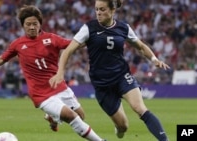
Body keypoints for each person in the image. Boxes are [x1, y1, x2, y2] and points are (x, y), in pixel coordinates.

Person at [0, 5, 106, 141]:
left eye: (35, 23)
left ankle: (52, 117)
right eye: (28, 24)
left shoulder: (52, 38)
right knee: (70, 116)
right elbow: (2, 59)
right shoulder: (18, 44)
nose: (32, 27)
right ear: (23, 25)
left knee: (80, 116)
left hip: (59, 86)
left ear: (40, 23)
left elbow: (74, 45)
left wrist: (94, 39)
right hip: (40, 94)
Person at [49, 0, 170, 141]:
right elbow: (67, 51)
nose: (98, 13)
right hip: (102, 85)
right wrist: (60, 72)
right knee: (123, 126)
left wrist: (155, 60)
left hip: (122, 76)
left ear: (112, 10)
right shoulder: (89, 28)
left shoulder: (123, 28)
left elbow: (141, 46)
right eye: (97, 9)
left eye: (102, 9)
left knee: (140, 108)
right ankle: (119, 129)